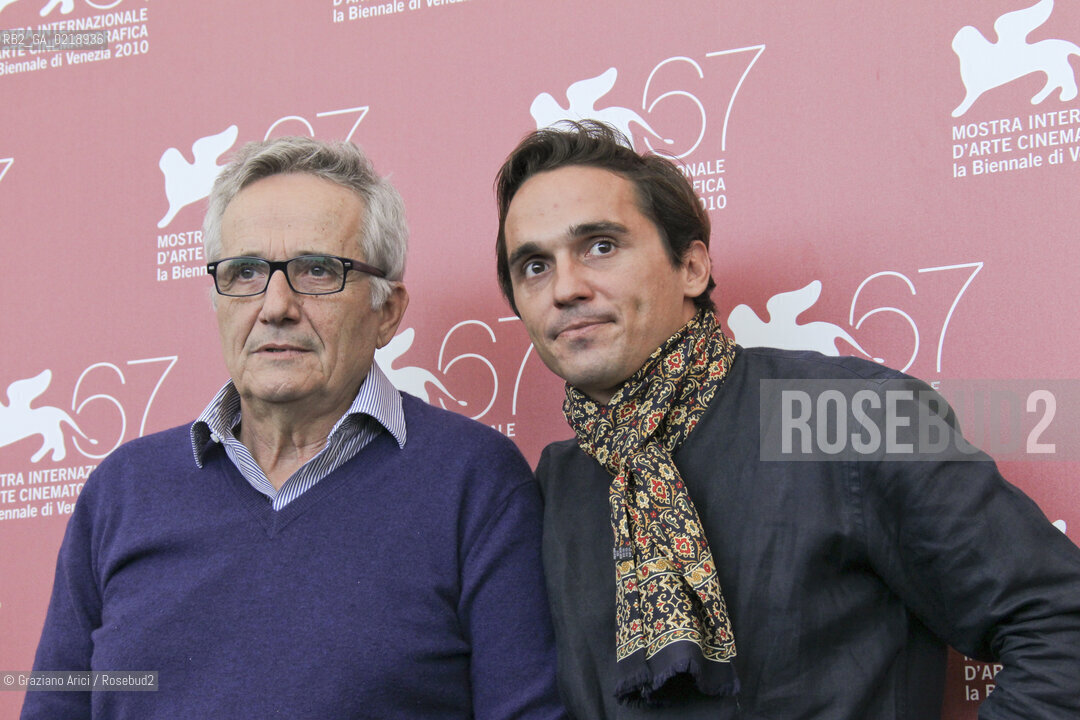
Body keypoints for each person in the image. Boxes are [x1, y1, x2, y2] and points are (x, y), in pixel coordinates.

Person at [493, 120, 1080, 719]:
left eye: (601, 246)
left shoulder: (856, 414)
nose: (566, 287)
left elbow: (1062, 626)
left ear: (691, 267)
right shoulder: (556, 480)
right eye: (534, 266)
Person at [23, 137, 565, 719]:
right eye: (246, 271)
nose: (275, 304)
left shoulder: (475, 480)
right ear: (218, 299)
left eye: (316, 271)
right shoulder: (122, 490)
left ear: (387, 311)